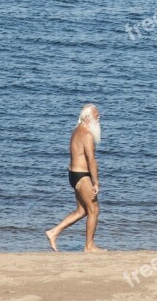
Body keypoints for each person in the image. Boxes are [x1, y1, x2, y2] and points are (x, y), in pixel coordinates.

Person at [45, 104, 105, 252]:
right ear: (87, 118)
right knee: (94, 210)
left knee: (82, 211)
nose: (99, 117)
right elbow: (91, 160)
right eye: (96, 115)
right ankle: (89, 246)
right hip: (82, 176)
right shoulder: (87, 135)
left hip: (73, 175)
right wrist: (96, 182)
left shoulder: (76, 131)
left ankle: (53, 232)